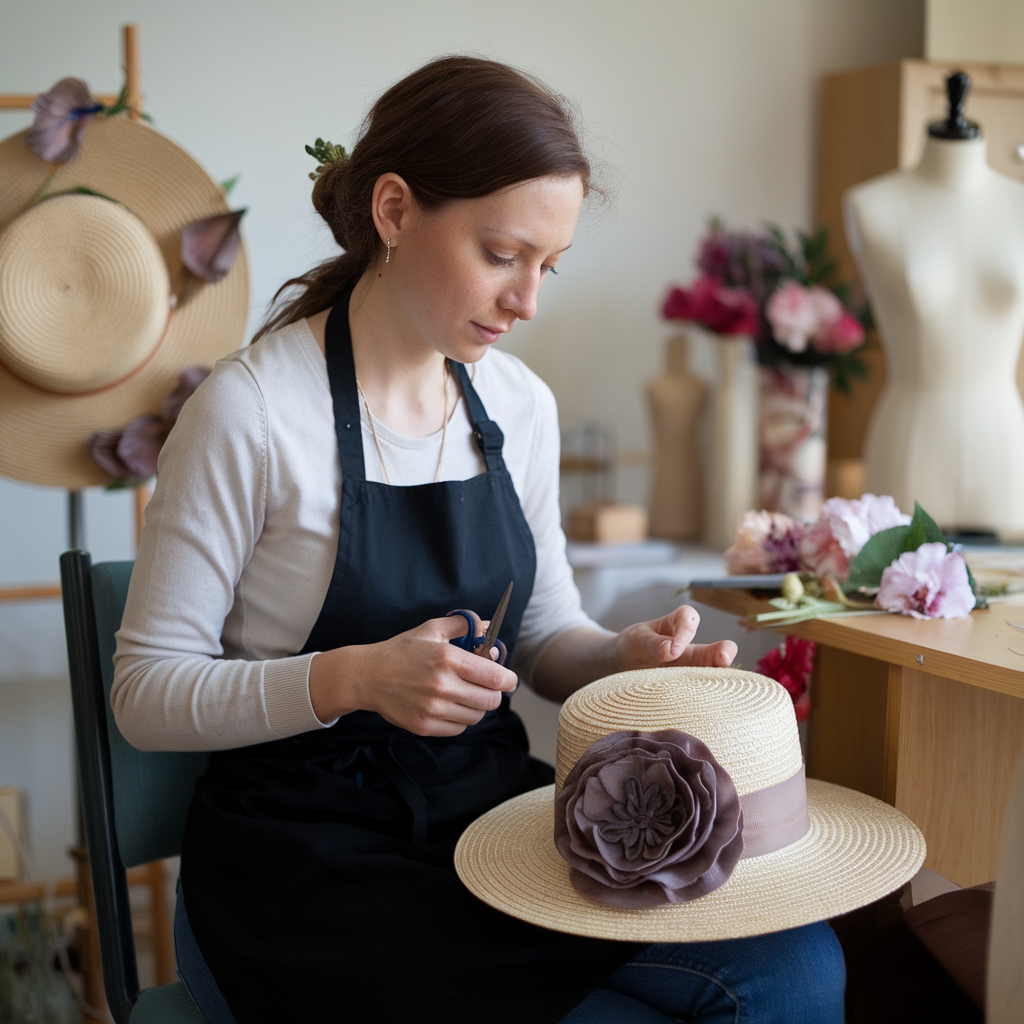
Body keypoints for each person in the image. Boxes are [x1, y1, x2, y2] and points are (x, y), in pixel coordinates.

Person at [112, 55, 845, 1024]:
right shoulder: (250, 410)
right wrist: (351, 678)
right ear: (393, 210)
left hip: (488, 822)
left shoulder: (516, 404)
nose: (527, 301)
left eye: (549, 265)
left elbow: (542, 637)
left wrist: (620, 660)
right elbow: (144, 694)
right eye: (502, 253)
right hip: (308, 870)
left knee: (799, 966)